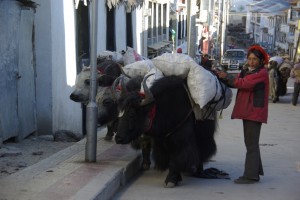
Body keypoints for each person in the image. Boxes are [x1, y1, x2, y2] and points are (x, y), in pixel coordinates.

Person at [214, 45, 269, 184]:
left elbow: (243, 83)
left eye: (255, 59)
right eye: (249, 59)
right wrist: (222, 76)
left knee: (251, 145)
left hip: (254, 112)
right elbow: (235, 81)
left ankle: (250, 176)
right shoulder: (246, 70)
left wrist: (227, 76)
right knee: (252, 143)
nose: (251, 62)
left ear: (261, 61)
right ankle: (255, 172)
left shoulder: (261, 73)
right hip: (249, 111)